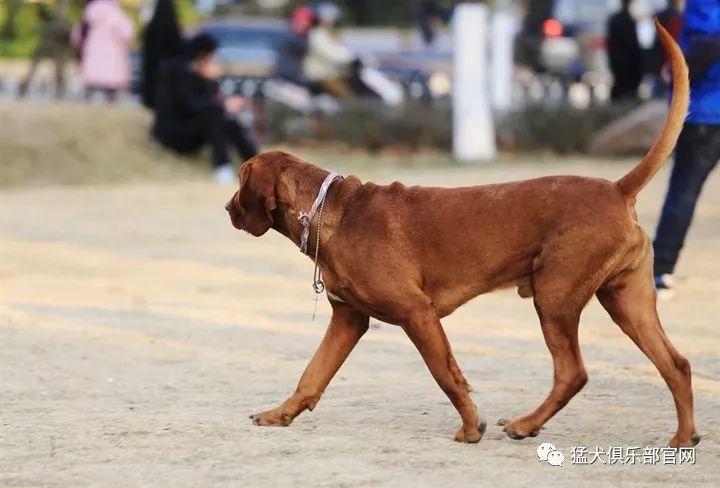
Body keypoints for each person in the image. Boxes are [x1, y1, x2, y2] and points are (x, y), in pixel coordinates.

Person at [653, 0, 720, 295]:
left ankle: (660, 269)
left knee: (683, 191)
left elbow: (707, 39)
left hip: (705, 109)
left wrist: (682, 67)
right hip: (706, 111)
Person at [152, 34, 259, 184]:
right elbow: (189, 105)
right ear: (203, 56)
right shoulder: (177, 72)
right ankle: (222, 168)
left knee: (230, 123)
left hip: (194, 127)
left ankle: (258, 166)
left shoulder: (199, 73)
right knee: (214, 116)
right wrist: (223, 104)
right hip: (173, 133)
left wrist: (211, 83)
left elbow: (208, 102)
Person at [71, 0, 135, 102]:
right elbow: (126, 32)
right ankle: (111, 100)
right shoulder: (117, 13)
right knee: (111, 83)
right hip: (113, 51)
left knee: (91, 81)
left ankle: (87, 100)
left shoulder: (89, 12)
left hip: (93, 49)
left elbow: (79, 32)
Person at [18, 1, 73, 99]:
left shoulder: (60, 20)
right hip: (52, 37)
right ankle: (59, 91)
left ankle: (59, 92)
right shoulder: (57, 20)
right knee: (52, 66)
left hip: (55, 39)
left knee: (59, 68)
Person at [304, 3, 356, 98]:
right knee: (348, 98)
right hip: (322, 76)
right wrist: (351, 58)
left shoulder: (331, 34)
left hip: (335, 74)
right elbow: (331, 52)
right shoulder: (317, 34)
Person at [141, 0, 186, 109]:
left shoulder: (150, 29)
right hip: (169, 74)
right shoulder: (173, 29)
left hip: (152, 71)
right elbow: (180, 48)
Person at [606, 0, 645, 102]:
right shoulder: (628, 20)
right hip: (628, 64)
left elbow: (610, 45)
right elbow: (633, 45)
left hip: (618, 63)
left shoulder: (615, 20)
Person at [649, 0, 684, 97]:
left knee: (658, 96)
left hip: (661, 61)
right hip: (671, 62)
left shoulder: (660, 16)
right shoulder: (678, 18)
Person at [274, 6, 315, 87]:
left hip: (297, 79)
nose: (306, 24)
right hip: (288, 81)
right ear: (294, 21)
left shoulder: (302, 37)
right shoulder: (290, 38)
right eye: (302, 21)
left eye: (309, 21)